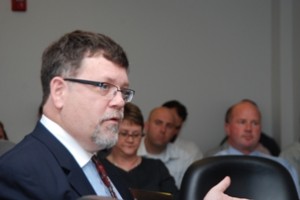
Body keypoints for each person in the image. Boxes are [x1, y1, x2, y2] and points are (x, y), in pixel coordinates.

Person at [0, 30, 247, 200]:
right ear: (59, 91)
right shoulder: (19, 172)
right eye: (104, 87)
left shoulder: (103, 169)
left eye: (123, 91)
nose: (120, 102)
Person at [213, 99, 300, 195]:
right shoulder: (212, 166)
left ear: (260, 128)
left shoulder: (282, 166)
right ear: (227, 128)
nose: (248, 129)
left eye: (255, 123)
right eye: (242, 122)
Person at [99, 102, 179, 199]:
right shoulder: (99, 167)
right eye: (124, 133)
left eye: (136, 134)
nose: (130, 140)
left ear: (142, 134)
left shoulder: (157, 168)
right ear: (113, 132)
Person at [137, 106, 194, 188]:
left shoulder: (185, 159)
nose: (163, 130)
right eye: (158, 123)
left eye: (169, 126)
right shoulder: (130, 149)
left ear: (174, 132)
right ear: (146, 126)